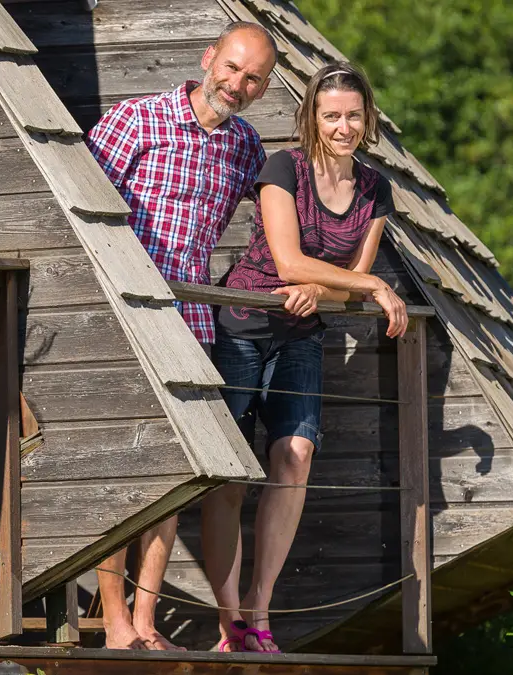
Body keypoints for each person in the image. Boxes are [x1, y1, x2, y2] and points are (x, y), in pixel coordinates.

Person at [85, 21, 314, 651]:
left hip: (192, 324)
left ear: (263, 90)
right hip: (127, 314)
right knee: (129, 470)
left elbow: (286, 214)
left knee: (178, 475)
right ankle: (114, 623)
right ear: (208, 57)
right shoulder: (136, 119)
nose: (236, 84)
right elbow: (77, 209)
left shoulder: (245, 146)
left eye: (252, 79)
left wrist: (322, 275)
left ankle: (147, 620)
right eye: (232, 68)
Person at [202, 62, 409, 653]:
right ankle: (228, 621)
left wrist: (339, 289)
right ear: (312, 118)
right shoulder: (281, 168)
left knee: (294, 458)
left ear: (367, 118)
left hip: (301, 332)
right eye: (331, 115)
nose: (343, 126)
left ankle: (260, 611)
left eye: (353, 115)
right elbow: (291, 263)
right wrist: (365, 288)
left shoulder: (375, 190)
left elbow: (349, 281)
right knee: (229, 474)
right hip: (242, 323)